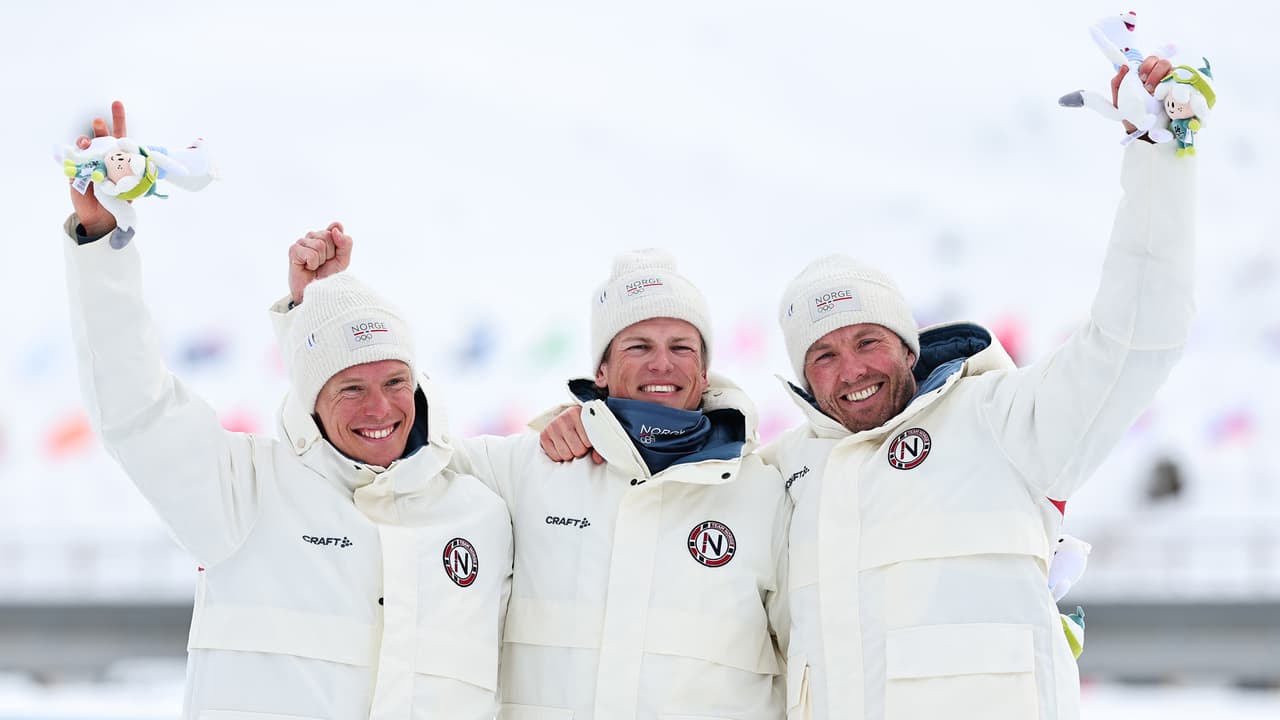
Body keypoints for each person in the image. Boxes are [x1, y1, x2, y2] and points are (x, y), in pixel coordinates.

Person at [542, 56, 1195, 719]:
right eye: (823, 355)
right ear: (802, 377)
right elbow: (672, 487)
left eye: (867, 341)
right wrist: (585, 426)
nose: (851, 370)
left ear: (908, 346)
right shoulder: (784, 471)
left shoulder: (1004, 421)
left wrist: (1157, 160)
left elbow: (1136, 340)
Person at [60, 102, 513, 720]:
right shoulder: (246, 493)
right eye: (349, 388)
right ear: (312, 402)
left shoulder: (481, 509)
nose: (380, 406)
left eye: (395, 380)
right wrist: (104, 246)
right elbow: (135, 404)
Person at [281, 247, 791, 719]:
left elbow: (807, 660)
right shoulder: (528, 467)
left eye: (681, 346)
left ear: (704, 372)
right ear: (603, 370)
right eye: (639, 345)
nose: (662, 363)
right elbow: (385, 446)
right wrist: (323, 317)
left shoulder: (764, 492)